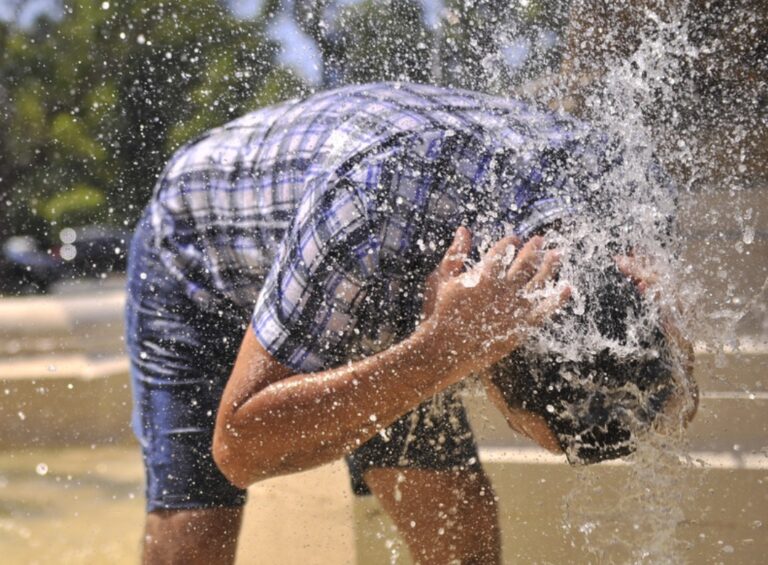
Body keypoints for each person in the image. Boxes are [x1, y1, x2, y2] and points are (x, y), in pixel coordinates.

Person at [125, 82, 694, 564]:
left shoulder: (634, 198)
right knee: (201, 524)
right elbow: (238, 447)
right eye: (516, 422)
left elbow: (668, 363)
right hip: (202, 251)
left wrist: (674, 365)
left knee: (460, 539)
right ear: (490, 355)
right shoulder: (367, 208)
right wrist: (436, 352)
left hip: (390, 258)